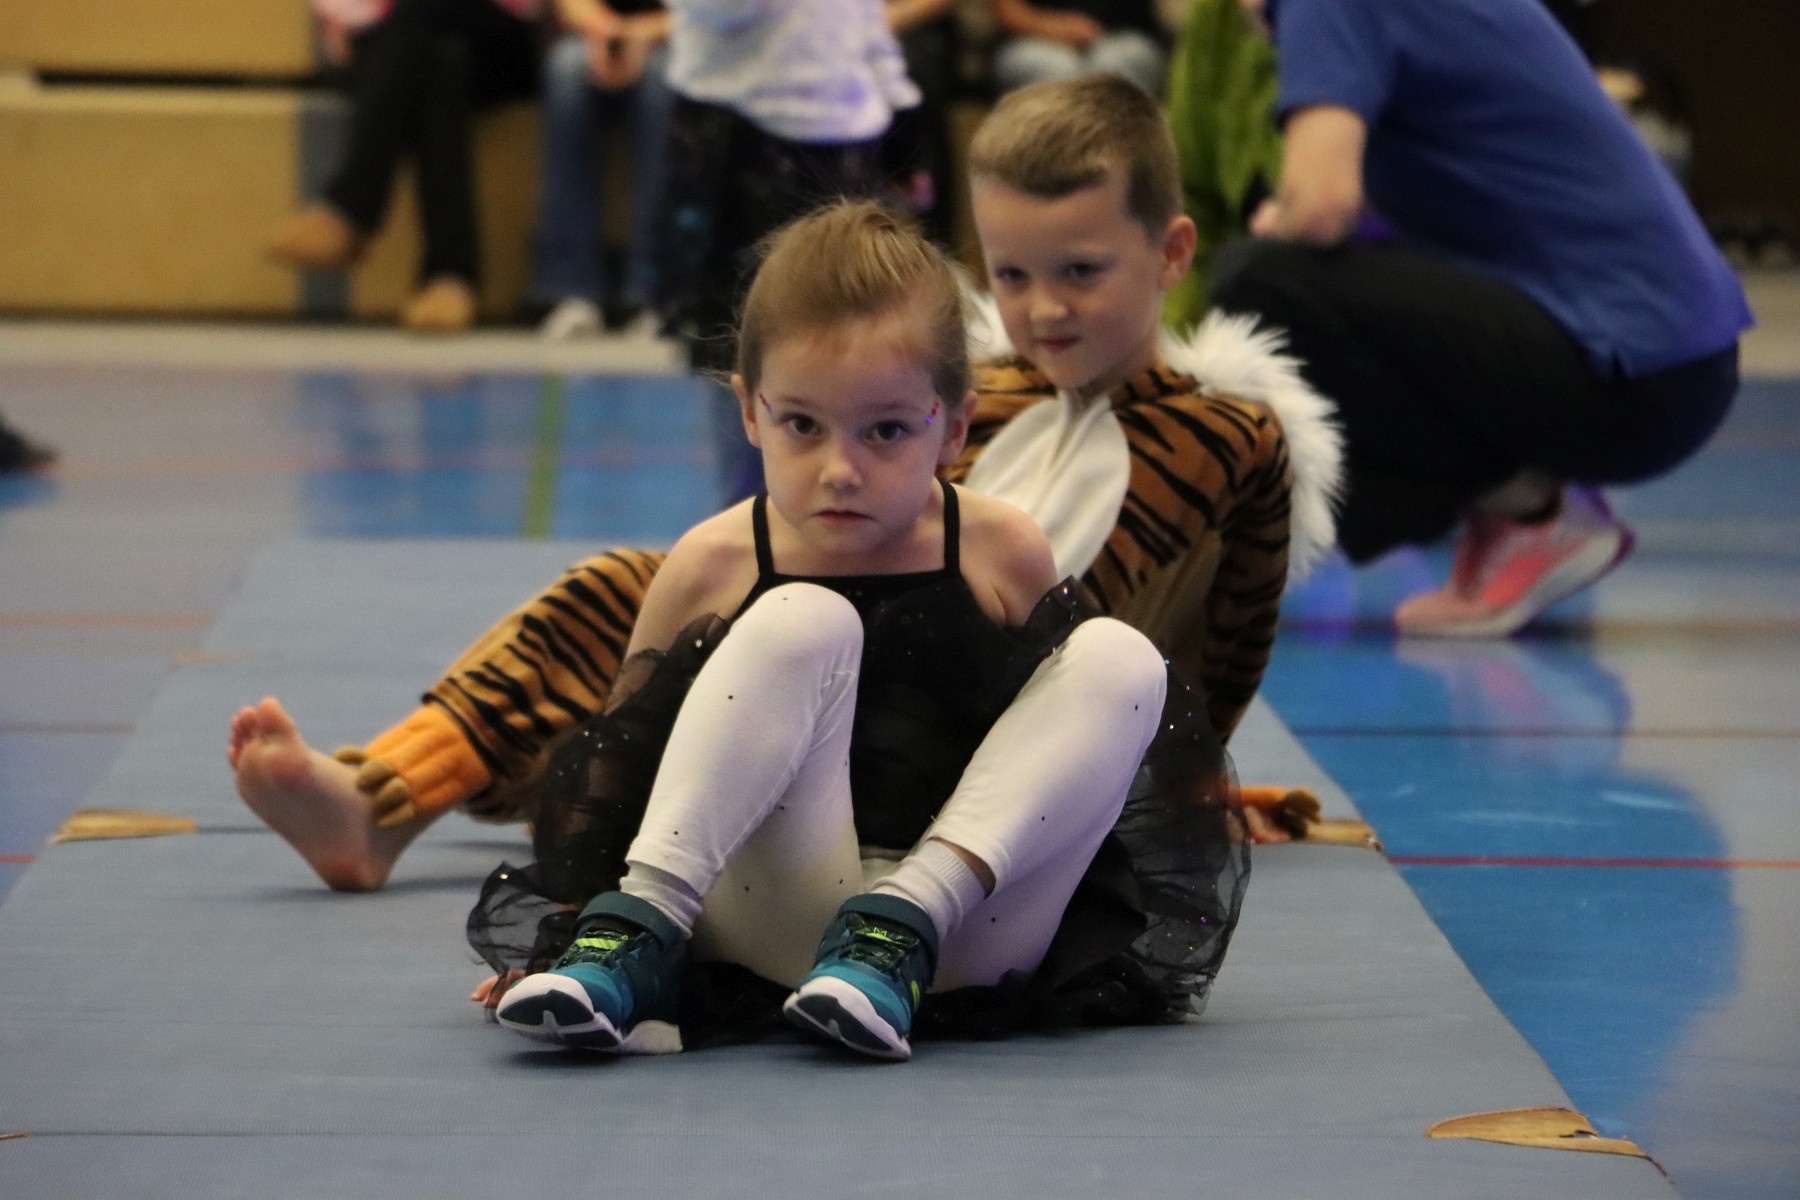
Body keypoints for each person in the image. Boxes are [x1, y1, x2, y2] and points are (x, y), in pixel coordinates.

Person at [226, 74, 1341, 891]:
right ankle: (377, 800)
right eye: (1011, 273)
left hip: (978, 708)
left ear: (1173, 253)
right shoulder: (973, 386)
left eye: (1082, 272)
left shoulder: (1228, 436)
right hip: (827, 632)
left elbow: (1227, 639)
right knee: (623, 591)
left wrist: (1177, 778)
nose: (1044, 308)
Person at [472, 201, 1241, 1060]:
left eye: (886, 431)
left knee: (1120, 657)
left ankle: (894, 931)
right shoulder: (711, 564)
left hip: (956, 935)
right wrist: (566, 937)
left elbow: (1068, 753)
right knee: (803, 618)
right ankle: (630, 939)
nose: (841, 470)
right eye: (803, 425)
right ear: (750, 411)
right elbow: (617, 779)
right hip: (772, 924)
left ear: (953, 427)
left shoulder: (998, 549)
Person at [1209, 0, 1751, 637]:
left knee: (1258, 285)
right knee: (1284, 281)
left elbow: (1321, 208)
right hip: (1677, 362)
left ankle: (1528, 510)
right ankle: (1519, 508)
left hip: (1633, 374)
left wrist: (1287, 219)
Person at [264, 0, 542, 333]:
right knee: (444, 60)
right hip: (404, 46)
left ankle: (353, 207)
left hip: (500, 40)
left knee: (419, 15)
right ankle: (449, 277)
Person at [530, 0, 674, 340]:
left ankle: (653, 292)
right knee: (566, 68)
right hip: (592, 35)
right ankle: (570, 289)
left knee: (662, 82)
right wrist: (604, 30)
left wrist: (644, 33)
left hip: (672, 40)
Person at [991, 0, 1169, 97]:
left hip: (1124, 36)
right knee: (1057, 70)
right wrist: (1056, 28)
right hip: (1034, 40)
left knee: (1118, 66)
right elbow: (1008, 13)